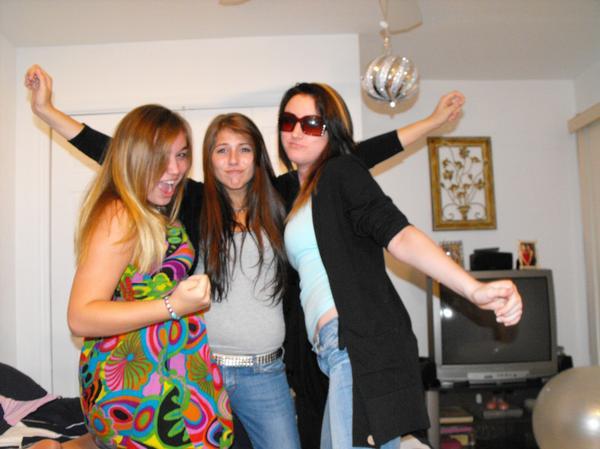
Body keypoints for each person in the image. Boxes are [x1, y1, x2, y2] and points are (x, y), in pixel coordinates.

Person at [25, 64, 466, 449]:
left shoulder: (283, 198)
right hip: (201, 369)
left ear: (258, 156)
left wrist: (429, 124)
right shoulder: (191, 201)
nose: (233, 161)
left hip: (266, 374)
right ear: (208, 159)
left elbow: (354, 154)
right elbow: (123, 155)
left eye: (244, 149)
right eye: (221, 150)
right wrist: (49, 113)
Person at [276, 82, 523, 449]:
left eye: (311, 123)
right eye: (288, 121)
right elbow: (372, 149)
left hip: (357, 344)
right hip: (331, 352)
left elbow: (399, 234)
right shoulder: (293, 191)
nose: (296, 131)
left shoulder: (340, 172)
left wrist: (473, 289)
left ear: (332, 130)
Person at [29, 104, 233, 449]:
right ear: (135, 159)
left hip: (169, 369)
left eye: (181, 154)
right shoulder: (120, 213)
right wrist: (173, 305)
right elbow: (80, 316)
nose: (175, 169)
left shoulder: (155, 208)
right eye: (160, 157)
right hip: (140, 382)